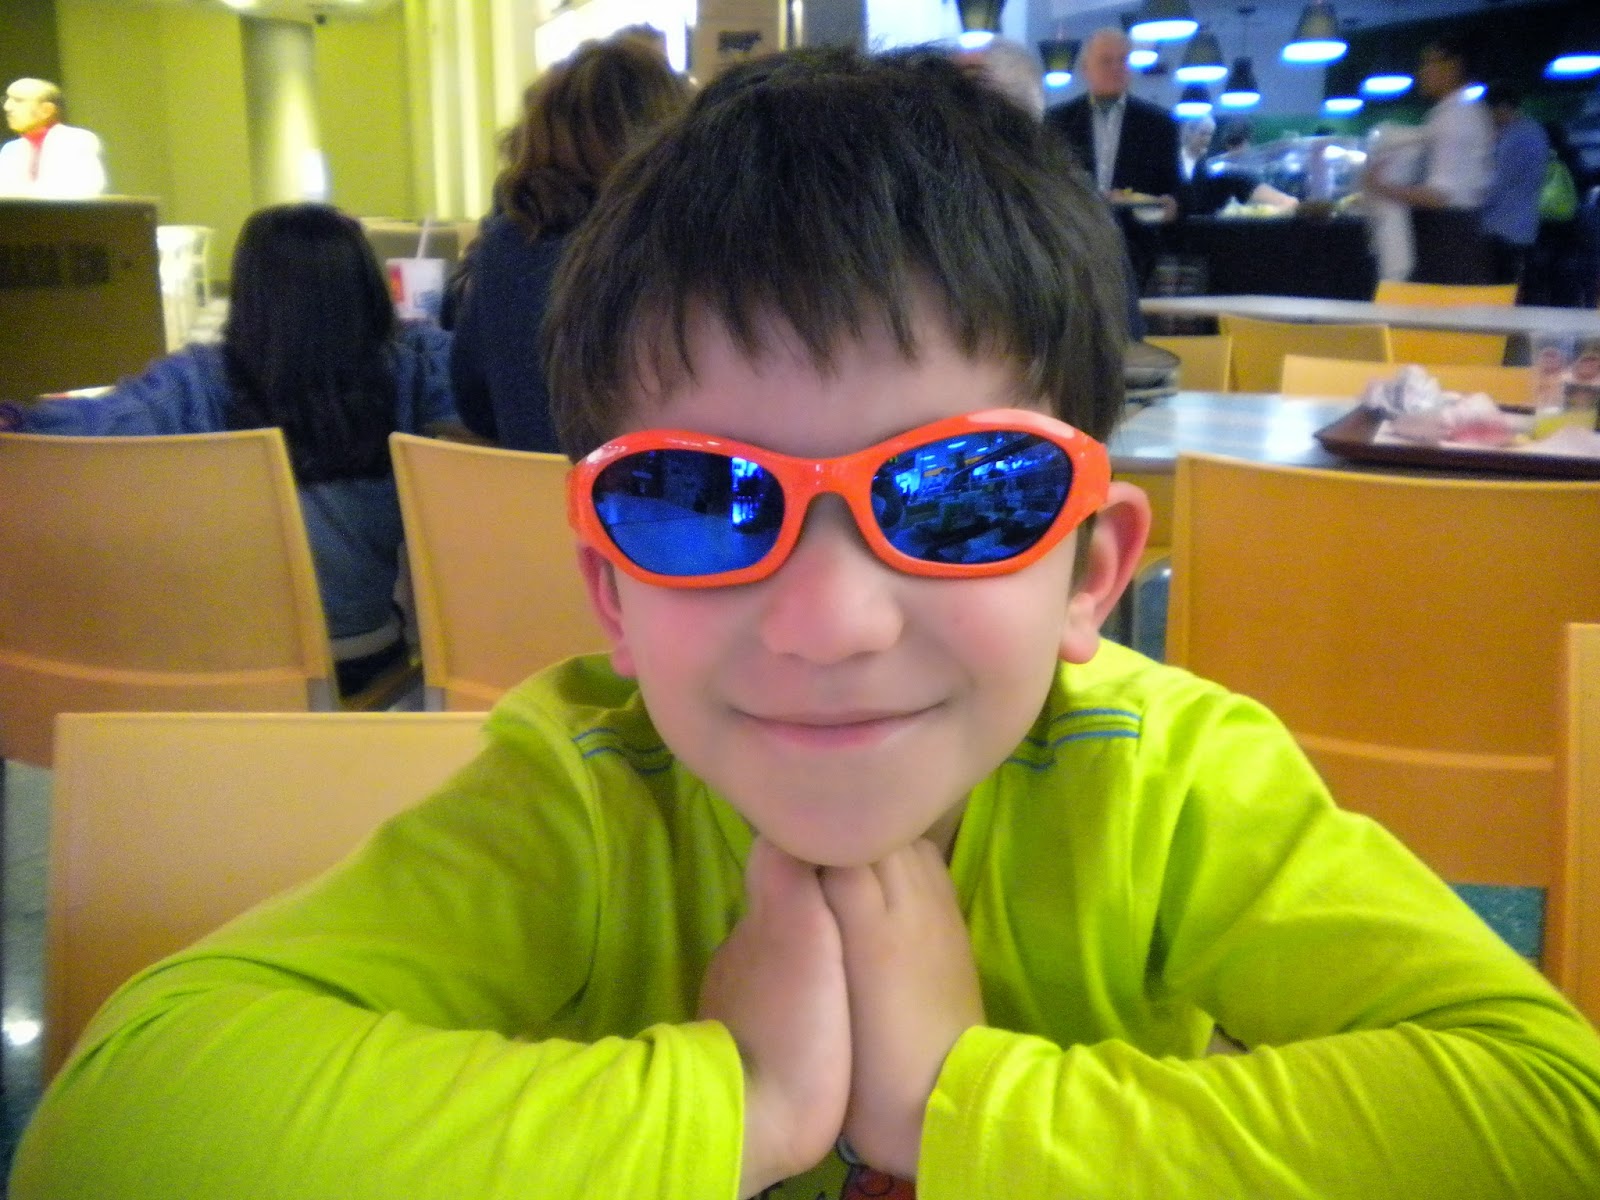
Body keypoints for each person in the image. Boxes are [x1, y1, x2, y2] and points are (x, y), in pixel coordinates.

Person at [12, 47, 1600, 1200]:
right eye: (700, 501)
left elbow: (1546, 1116)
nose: (830, 620)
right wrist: (746, 1104)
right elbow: (125, 1123)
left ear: (1089, 573)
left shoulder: (1173, 781)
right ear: (609, 590)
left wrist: (960, 1107)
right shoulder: (586, 792)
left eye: (961, 493)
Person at [0, 203, 459, 695]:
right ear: (365, 285)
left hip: (238, 669)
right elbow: (482, 377)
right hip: (369, 653)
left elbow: (96, 423)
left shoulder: (198, 380)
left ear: (248, 292)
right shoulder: (412, 367)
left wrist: (19, 418)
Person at [449, 35, 688, 451]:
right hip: (651, 490)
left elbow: (475, 406)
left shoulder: (505, 247)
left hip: (529, 490)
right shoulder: (681, 250)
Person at [1045, 28, 1182, 289]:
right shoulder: (1056, 123)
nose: (1116, 68)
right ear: (1085, 69)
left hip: (1136, 253)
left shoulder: (1159, 125)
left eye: (1123, 60)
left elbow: (1176, 189)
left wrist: (1172, 205)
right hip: (1073, 249)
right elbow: (1047, 185)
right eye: (1106, 61)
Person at [1361, 34, 1494, 284]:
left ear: (1454, 66)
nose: (1421, 72)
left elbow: (1439, 196)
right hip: (1460, 235)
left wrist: (1380, 187)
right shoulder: (1465, 111)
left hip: (1449, 241)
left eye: (1428, 63)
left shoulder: (1454, 118)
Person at [1478, 81, 1551, 289]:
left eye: (1490, 111)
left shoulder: (1517, 137)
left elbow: (1498, 184)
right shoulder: (1533, 131)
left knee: (1502, 290)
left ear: (1502, 107)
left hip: (1505, 230)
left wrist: (1472, 202)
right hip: (1521, 226)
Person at [0, 77, 107, 198]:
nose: (7, 107)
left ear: (46, 110)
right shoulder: (10, 149)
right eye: (6, 99)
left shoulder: (77, 140)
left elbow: (85, 189)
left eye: (19, 100)